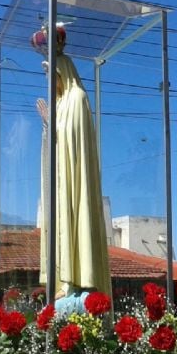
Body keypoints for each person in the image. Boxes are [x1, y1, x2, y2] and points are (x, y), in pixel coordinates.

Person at [33, 25, 112, 313]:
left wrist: (53, 123)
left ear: (61, 72)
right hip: (61, 184)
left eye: (50, 76)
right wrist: (47, 125)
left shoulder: (76, 99)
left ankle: (81, 280)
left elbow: (72, 144)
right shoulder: (60, 102)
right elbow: (57, 144)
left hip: (74, 182)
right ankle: (65, 283)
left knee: (76, 218)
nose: (48, 83)